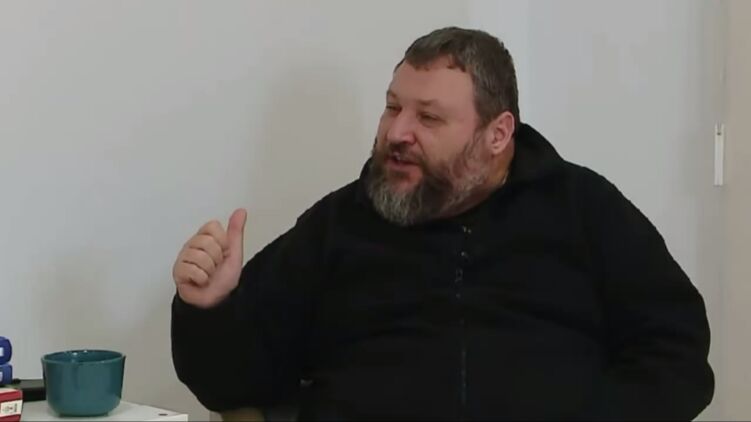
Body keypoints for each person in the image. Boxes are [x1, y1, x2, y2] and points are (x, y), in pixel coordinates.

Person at [170, 27, 714, 420]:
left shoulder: (582, 209)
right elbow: (232, 384)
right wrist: (209, 310)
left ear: (497, 134)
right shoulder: (339, 224)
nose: (396, 133)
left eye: (428, 117)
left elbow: (675, 355)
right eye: (392, 108)